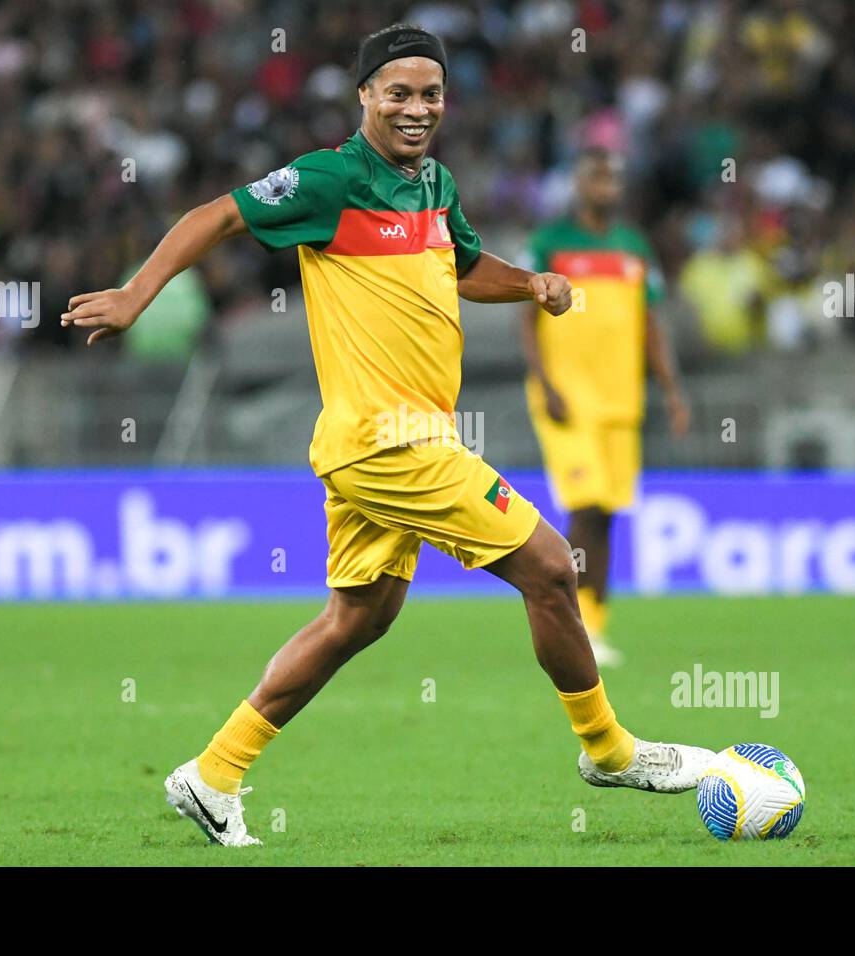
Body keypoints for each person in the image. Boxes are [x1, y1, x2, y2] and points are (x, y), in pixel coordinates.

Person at [61, 23, 712, 847]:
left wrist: (534, 283)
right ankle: (609, 750)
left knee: (359, 617)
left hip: (393, 440)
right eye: (398, 92)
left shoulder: (434, 184)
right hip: (388, 441)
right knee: (551, 567)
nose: (416, 107)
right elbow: (216, 216)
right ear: (363, 95)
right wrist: (134, 293)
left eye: (430, 93)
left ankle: (214, 773)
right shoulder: (329, 179)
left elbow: (466, 266)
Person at [522, 147, 690, 667]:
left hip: (622, 399)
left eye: (614, 177)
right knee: (587, 504)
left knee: (608, 513)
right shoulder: (550, 243)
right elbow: (526, 318)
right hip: (569, 398)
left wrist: (672, 389)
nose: (606, 186)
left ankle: (594, 624)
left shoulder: (634, 247)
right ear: (579, 184)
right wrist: (544, 380)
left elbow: (650, 324)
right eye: (597, 177)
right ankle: (573, 623)